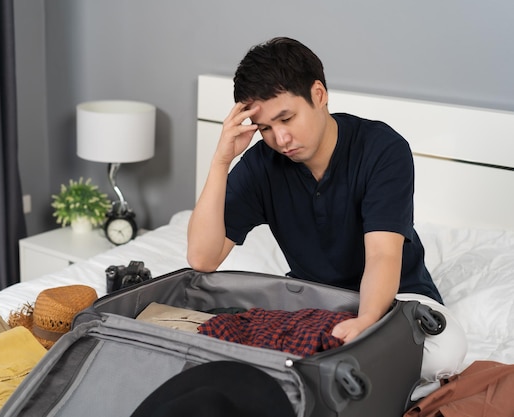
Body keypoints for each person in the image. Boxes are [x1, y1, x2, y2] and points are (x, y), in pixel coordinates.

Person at [187, 37, 466, 385]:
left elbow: (382, 255)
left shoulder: (382, 149)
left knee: (445, 350)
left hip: (396, 297)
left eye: (287, 118)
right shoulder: (261, 163)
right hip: (313, 304)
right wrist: (221, 160)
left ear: (319, 95)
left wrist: (366, 326)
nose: (281, 139)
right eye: (265, 129)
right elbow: (203, 259)